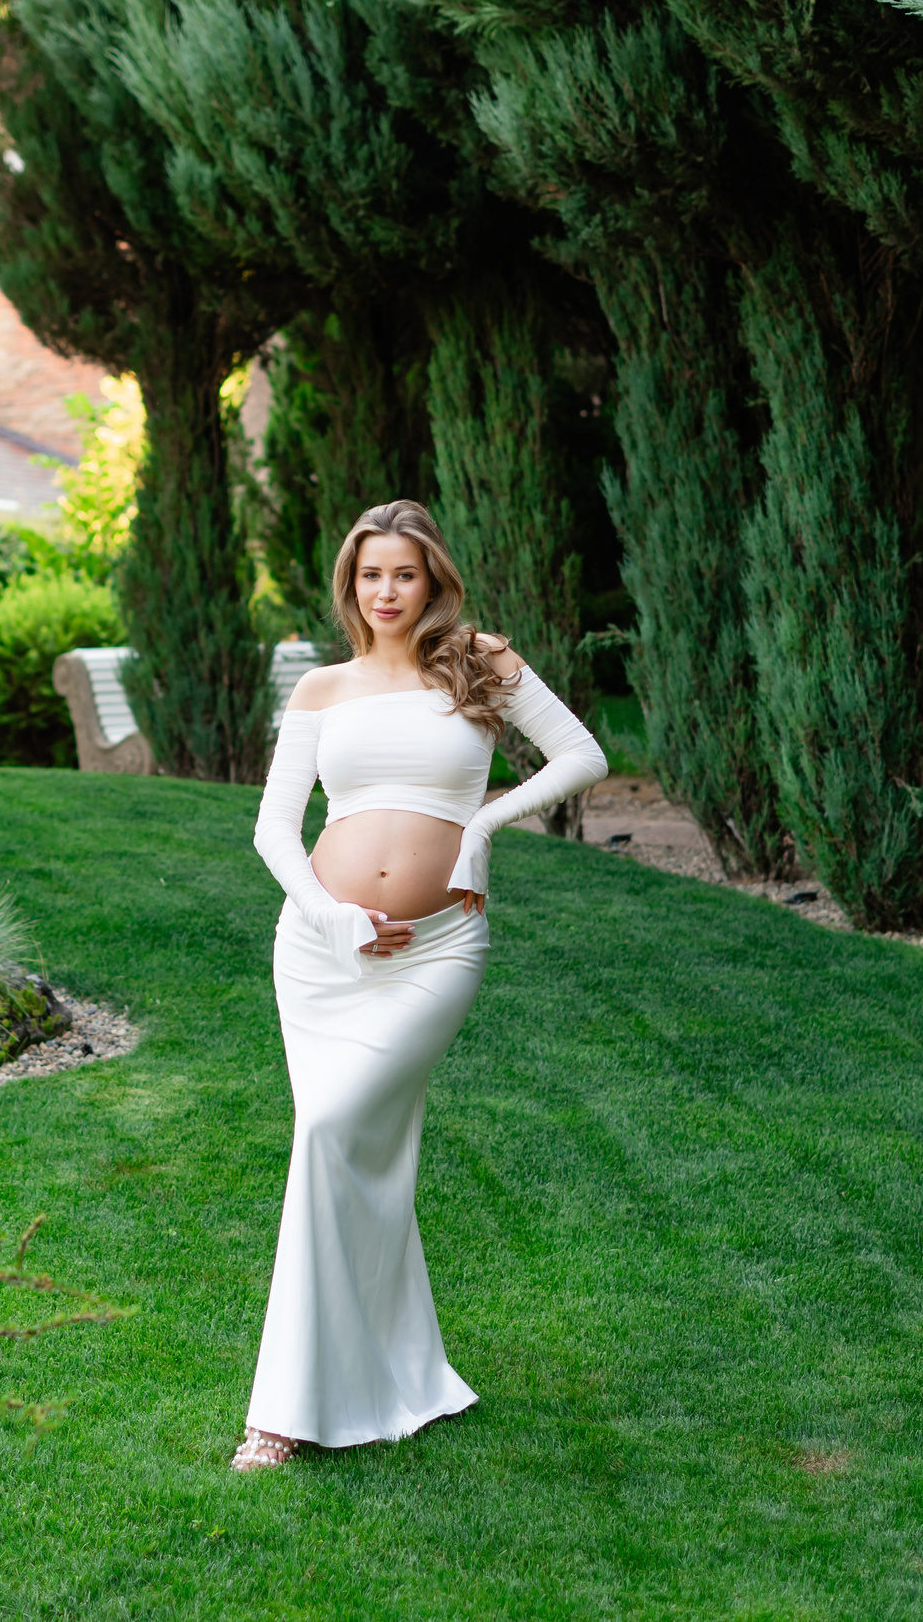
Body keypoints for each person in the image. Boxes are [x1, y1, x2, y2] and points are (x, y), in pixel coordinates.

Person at [234, 499, 606, 1472]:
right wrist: (332, 916)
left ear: (432, 578)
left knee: (333, 1134)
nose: (386, 592)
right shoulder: (323, 688)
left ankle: (286, 1408)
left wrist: (481, 828)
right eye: (369, 575)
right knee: (348, 1149)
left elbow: (582, 756)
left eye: (404, 573)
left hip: (437, 949)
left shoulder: (480, 664)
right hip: (322, 953)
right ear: (349, 586)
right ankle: (351, 1382)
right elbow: (275, 830)